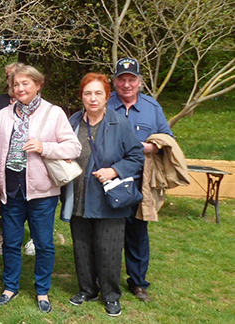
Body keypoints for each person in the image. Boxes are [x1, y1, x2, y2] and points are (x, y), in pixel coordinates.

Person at [0, 64, 81, 313]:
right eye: (16, 84)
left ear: (38, 85)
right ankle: (10, 287)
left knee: (43, 243)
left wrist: (44, 147)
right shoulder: (3, 114)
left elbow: (74, 147)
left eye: (25, 83)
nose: (20, 88)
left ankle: (42, 290)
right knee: (11, 242)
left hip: (42, 192)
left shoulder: (54, 113)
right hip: (11, 191)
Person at [63, 72, 145, 316]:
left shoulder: (119, 123)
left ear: (107, 96)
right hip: (79, 195)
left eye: (98, 93)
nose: (93, 98)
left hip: (108, 198)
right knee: (82, 246)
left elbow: (136, 156)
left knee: (108, 248)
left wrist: (115, 170)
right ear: (82, 97)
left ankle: (110, 295)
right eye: (88, 93)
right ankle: (87, 289)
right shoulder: (74, 121)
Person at [107, 58, 174, 302]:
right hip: (110, 178)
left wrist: (149, 146)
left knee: (137, 232)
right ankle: (106, 278)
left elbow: (167, 137)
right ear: (114, 81)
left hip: (139, 180)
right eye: (121, 79)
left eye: (131, 79)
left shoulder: (151, 106)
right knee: (108, 231)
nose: (126, 84)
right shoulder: (105, 103)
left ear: (139, 81)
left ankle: (138, 282)